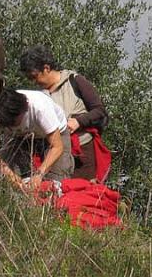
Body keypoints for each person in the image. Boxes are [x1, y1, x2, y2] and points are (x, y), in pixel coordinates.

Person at [19, 46, 109, 182]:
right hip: (54, 153)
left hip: (82, 152)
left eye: (34, 76)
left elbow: (99, 111)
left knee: (82, 194)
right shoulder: (40, 95)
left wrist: (79, 121)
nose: (33, 81)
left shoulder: (75, 81)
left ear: (46, 68)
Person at [0, 88, 75, 190]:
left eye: (13, 122)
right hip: (18, 137)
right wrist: (11, 176)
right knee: (13, 180)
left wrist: (39, 174)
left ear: (23, 111)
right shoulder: (0, 116)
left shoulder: (40, 108)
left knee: (56, 181)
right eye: (7, 124)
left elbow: (57, 147)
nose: (10, 126)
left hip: (55, 134)